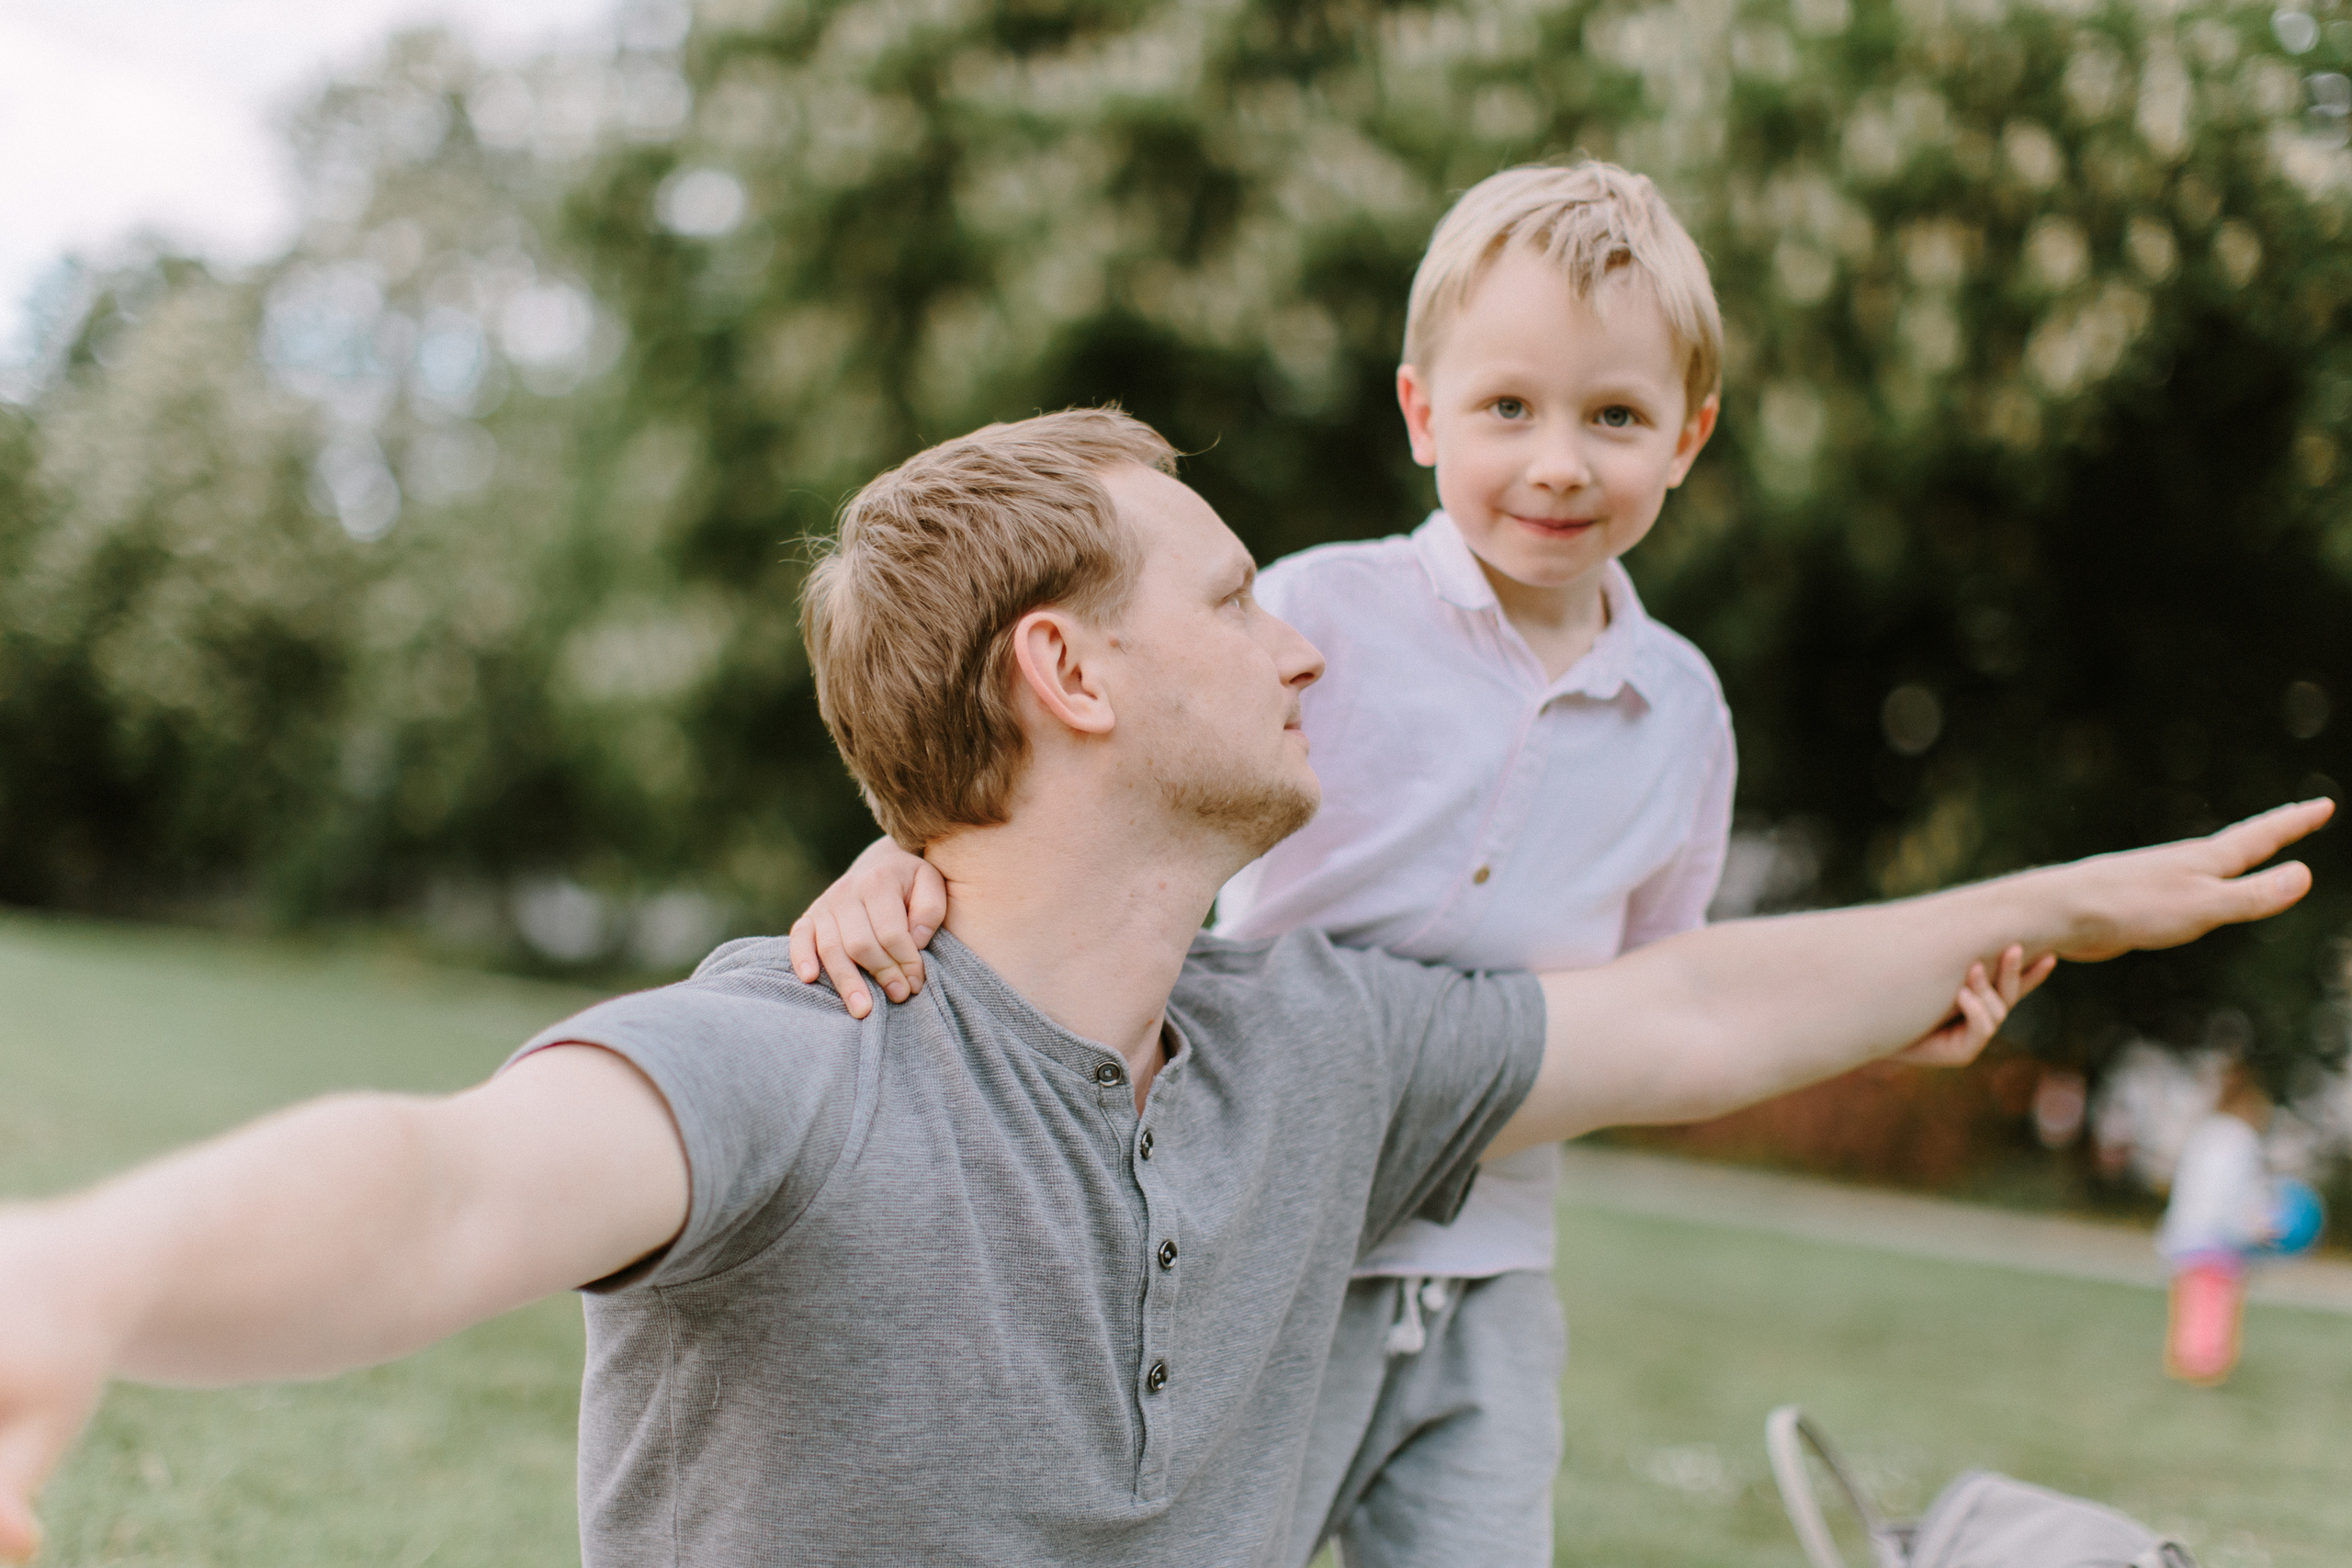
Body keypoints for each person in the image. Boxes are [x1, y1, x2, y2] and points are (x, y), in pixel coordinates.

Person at [0, 407, 2326, 1568]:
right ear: (1068, 670)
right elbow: (431, 1185)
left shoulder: (1328, 1048)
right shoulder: (805, 1057)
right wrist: (72, 1276)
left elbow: (1695, 1010)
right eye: (1233, 597)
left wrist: (2071, 900)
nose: (1308, 633)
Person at [792, 160, 1736, 1568]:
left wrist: (1909, 1016)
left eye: (1615, 416)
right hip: (1261, 1232)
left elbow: (1674, 990)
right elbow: (1081, 784)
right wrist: (900, 854)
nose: (1557, 460)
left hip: (1490, 1260)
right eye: (1508, 407)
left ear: (1687, 436)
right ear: (1422, 410)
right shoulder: (1314, 611)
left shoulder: (1681, 712)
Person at [2158, 1060, 2324, 1385]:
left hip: (2185, 1236)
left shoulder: (2204, 1133)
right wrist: (2256, 1230)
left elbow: (2190, 1189)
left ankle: (2184, 1360)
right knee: (2213, 1308)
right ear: (2248, 1105)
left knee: (2192, 1303)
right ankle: (2203, 1367)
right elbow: (2238, 1198)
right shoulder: (2241, 1140)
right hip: (2218, 1241)